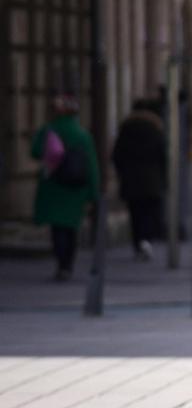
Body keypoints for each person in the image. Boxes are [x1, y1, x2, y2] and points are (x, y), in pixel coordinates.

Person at [30, 91, 100, 281]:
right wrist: (94, 193)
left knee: (57, 228)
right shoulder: (82, 135)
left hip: (53, 185)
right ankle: (68, 264)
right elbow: (91, 165)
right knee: (71, 227)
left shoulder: (49, 130)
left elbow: (35, 152)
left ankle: (61, 264)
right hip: (76, 189)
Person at [112, 101, 167, 261]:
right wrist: (164, 178)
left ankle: (138, 243)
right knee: (149, 212)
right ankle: (147, 240)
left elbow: (117, 155)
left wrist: (122, 173)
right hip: (152, 180)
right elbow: (163, 156)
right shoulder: (156, 129)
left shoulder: (126, 129)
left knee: (135, 213)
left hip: (131, 180)